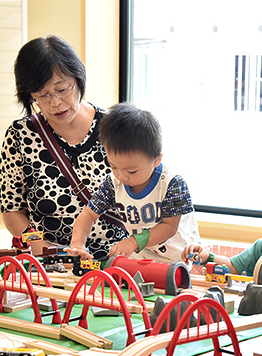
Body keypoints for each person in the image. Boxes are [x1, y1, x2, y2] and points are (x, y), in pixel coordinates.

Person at [0, 35, 127, 259]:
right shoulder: (20, 136)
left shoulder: (115, 128)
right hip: (54, 261)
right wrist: (42, 248)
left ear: (78, 80)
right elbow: (12, 210)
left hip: (118, 259)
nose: (55, 103)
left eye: (62, 89)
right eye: (43, 95)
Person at [67, 102, 200, 264]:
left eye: (132, 171)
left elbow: (169, 227)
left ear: (156, 160)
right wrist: (78, 244)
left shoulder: (172, 184)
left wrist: (133, 241)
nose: (122, 176)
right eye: (114, 166)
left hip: (180, 256)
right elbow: (88, 214)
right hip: (142, 254)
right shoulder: (113, 183)